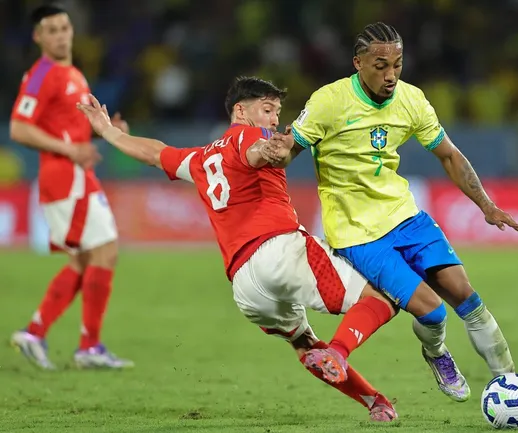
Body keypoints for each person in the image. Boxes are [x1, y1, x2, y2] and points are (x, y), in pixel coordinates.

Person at [267, 22, 518, 425]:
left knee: (466, 296)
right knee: (433, 313)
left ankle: (510, 386)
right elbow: (287, 154)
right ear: (358, 63)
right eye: (381, 65)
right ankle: (436, 353)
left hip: (407, 217)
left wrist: (486, 206)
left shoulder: (412, 100)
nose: (390, 75)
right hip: (358, 234)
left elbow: (450, 156)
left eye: (398, 65)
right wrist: (274, 149)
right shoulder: (329, 102)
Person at [76, 77, 399, 422]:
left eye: (277, 111)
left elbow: (155, 154)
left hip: (246, 286)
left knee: (305, 346)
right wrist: (267, 151)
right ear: (241, 111)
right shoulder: (252, 135)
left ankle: (376, 402)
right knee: (383, 297)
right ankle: (341, 350)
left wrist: (108, 132)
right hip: (279, 249)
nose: (275, 119)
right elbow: (253, 153)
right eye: (267, 109)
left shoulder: (200, 158)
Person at [9, 3, 132, 370]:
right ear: (38, 37)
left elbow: (75, 133)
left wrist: (110, 131)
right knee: (104, 251)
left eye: (65, 27)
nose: (61, 35)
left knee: (84, 258)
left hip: (76, 177)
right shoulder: (42, 74)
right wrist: (68, 149)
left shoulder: (73, 74)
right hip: (65, 179)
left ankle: (35, 333)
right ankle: (87, 347)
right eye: (52, 30)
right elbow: (18, 127)